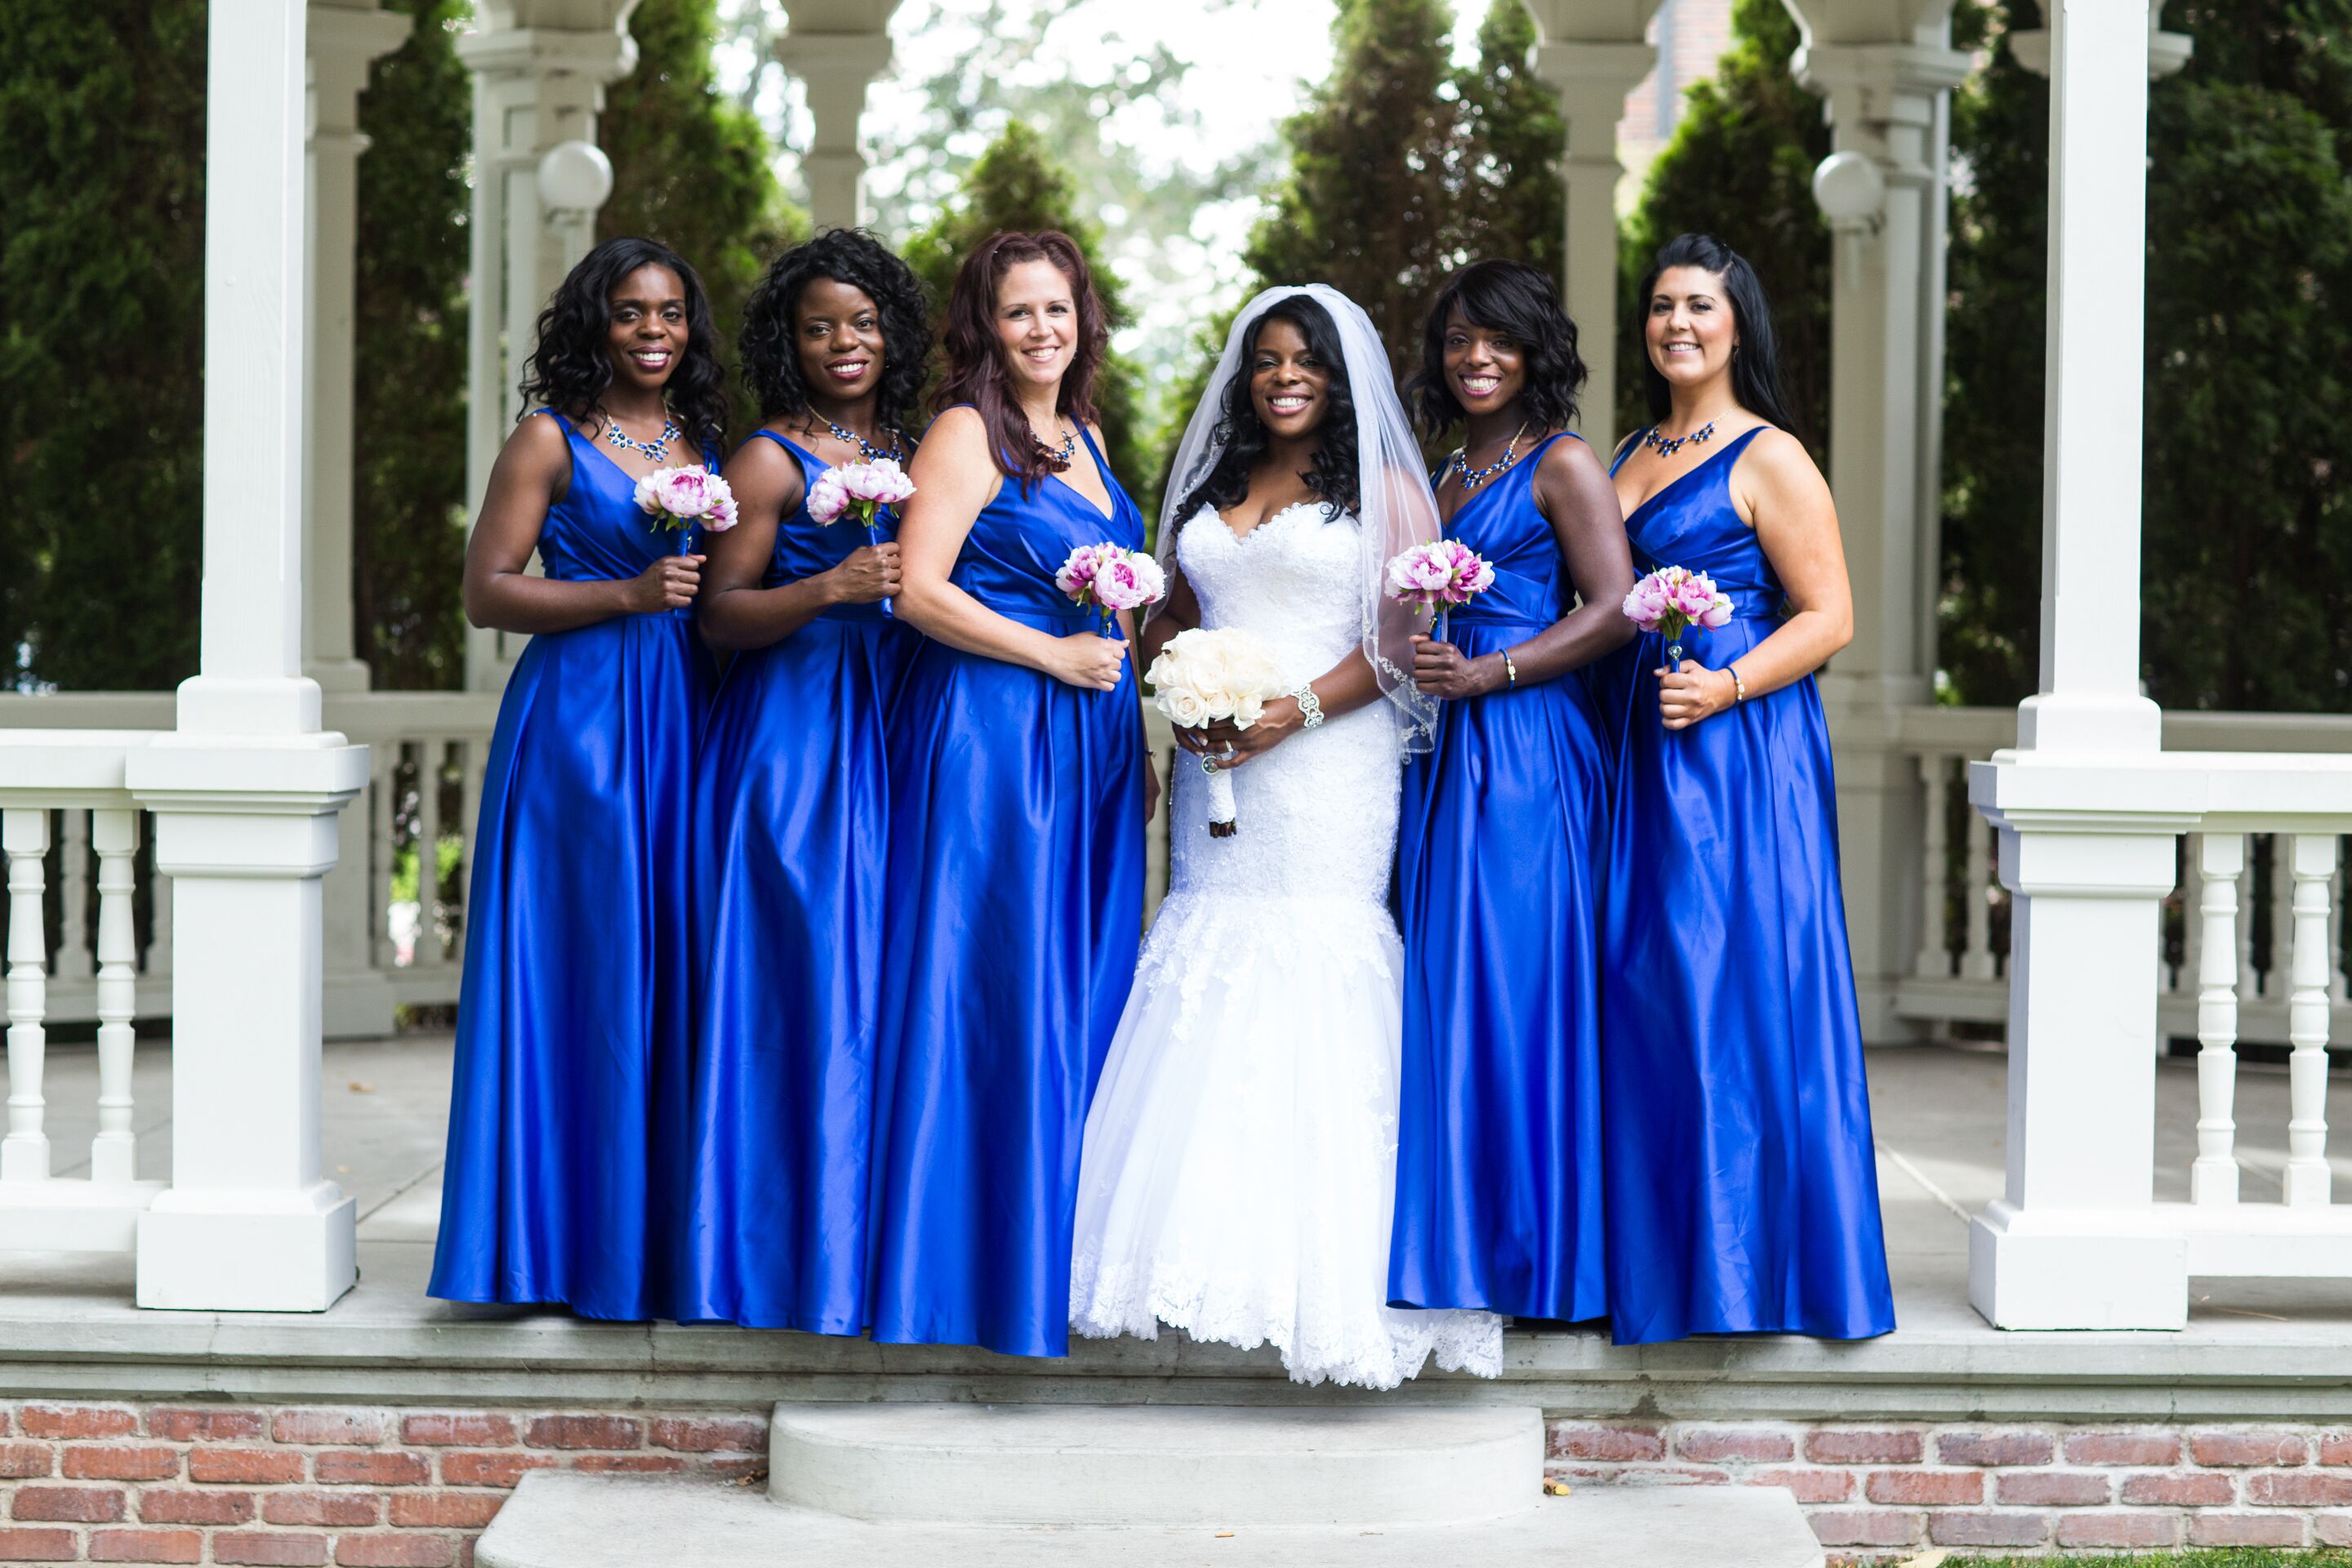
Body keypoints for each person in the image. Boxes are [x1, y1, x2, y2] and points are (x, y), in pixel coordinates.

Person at [1069, 285, 1501, 1388]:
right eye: (1265, 359)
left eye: (1305, 357)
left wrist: (1290, 712)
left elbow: (1405, 641)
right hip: (1222, 761)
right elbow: (1177, 612)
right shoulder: (1216, 485)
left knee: (1316, 963)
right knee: (1207, 951)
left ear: (1342, 375)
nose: (1283, 374)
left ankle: (1329, 1286)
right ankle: (1199, 1263)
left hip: (1328, 765)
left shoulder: (1390, 491)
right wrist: (1182, 697)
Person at [1597, 233, 1895, 1345]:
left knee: (1728, 981)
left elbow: (1831, 616)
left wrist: (1723, 687)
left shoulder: (1770, 456)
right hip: (1637, 745)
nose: (1679, 324)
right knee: (1645, 989)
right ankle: (1664, 1261)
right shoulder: (1629, 450)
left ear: (1738, 325)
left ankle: (1754, 1270)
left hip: (1733, 753)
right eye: (1663, 306)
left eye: (1700, 307)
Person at [866, 231, 1155, 1357]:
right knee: (991, 979)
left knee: (1075, 981)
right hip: (994, 740)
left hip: (1088, 741)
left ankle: (1050, 1241)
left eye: (1058, 309)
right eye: (1018, 311)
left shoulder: (1081, 436)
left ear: (1083, 318)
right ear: (985, 325)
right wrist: (1052, 657)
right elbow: (921, 591)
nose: (1041, 329)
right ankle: (959, 1269)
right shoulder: (965, 432)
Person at [430, 237, 725, 1319]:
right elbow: (487, 591)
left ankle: (645, 1249)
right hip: (583, 726)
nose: (653, 331)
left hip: (684, 717)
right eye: (630, 312)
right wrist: (626, 597)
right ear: (594, 323)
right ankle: (549, 1252)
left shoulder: (706, 442)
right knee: (583, 970)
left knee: (667, 970)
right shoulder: (548, 439)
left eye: (672, 313)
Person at [673, 229, 929, 1331]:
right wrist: (828, 588)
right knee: (799, 991)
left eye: (863, 323)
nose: (845, 343)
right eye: (820, 325)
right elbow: (716, 619)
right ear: (789, 338)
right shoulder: (769, 460)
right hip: (793, 747)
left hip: (894, 735)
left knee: (883, 994)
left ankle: (868, 1246)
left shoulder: (923, 450)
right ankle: (770, 1258)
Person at [1385, 261, 1637, 1329]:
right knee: (1446, 992)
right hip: (1443, 758)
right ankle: (1456, 1243)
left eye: (1496, 339)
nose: (1475, 357)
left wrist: (1498, 669)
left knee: (1516, 988)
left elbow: (1619, 605)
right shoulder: (1446, 478)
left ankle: (1535, 1258)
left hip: (1526, 754)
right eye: (1456, 341)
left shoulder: (1562, 463)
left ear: (1535, 350)